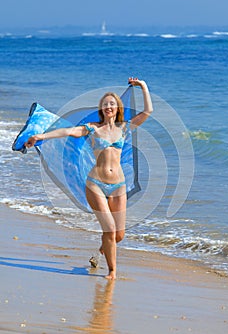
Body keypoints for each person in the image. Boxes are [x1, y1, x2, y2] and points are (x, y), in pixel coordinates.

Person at [25, 77, 153, 280]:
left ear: (117, 107)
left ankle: (99, 253)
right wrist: (41, 137)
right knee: (110, 229)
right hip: (96, 185)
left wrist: (143, 86)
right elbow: (68, 131)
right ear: (101, 109)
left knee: (118, 235)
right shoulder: (92, 128)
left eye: (112, 103)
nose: (108, 106)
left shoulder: (125, 128)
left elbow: (147, 112)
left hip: (119, 186)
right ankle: (112, 272)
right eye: (105, 104)